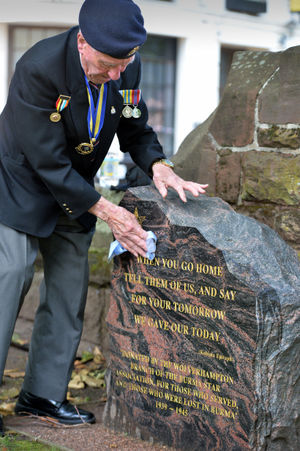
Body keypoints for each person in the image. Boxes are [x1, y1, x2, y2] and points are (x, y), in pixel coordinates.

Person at [0, 0, 207, 433]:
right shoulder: (38, 67)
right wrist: (108, 210)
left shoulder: (125, 67)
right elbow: (46, 160)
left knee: (70, 289)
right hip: (20, 183)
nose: (116, 74)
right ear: (82, 42)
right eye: (108, 64)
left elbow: (135, 128)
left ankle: (42, 396)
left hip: (75, 190)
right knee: (11, 276)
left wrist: (158, 165)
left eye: (124, 63)